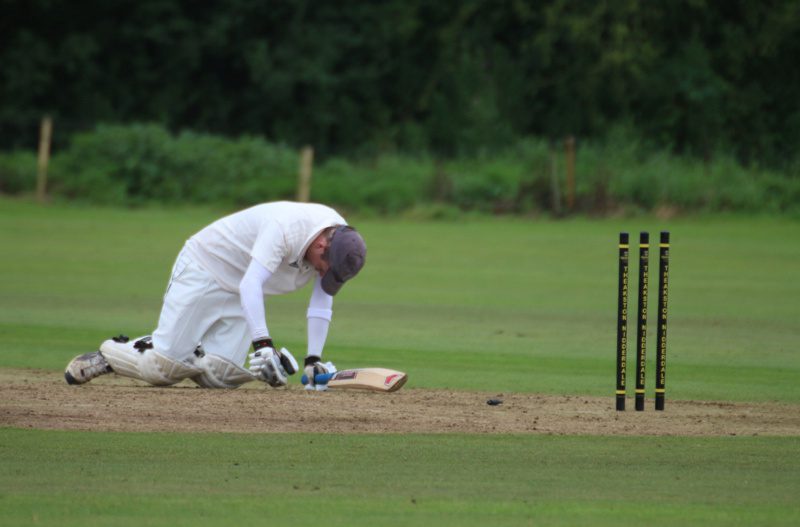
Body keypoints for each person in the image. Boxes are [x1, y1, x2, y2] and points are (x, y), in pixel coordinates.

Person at [64, 201, 366, 390]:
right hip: (205, 267)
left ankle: (187, 348)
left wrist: (313, 359)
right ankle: (113, 354)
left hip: (240, 289)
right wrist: (263, 345)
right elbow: (252, 284)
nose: (324, 276)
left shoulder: (339, 242)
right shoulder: (286, 228)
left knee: (219, 377)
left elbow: (322, 301)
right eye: (326, 269)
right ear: (321, 247)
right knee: (164, 369)